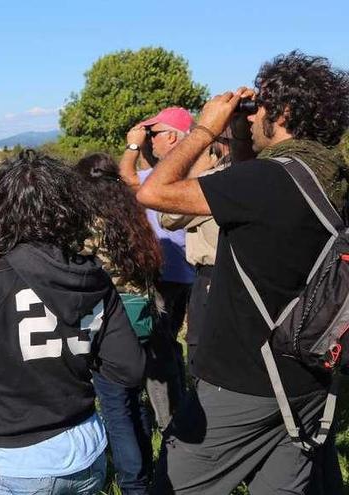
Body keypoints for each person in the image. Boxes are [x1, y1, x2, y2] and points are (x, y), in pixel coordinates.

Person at [137, 51, 349, 494]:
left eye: (261, 107)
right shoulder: (330, 177)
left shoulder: (267, 182)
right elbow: (259, 194)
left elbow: (154, 192)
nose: (252, 117)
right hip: (313, 379)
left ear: (285, 113)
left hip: (241, 383)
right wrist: (240, 134)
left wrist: (206, 127)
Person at [0, 150, 146, 495]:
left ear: (3, 212)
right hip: (85, 451)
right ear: (70, 209)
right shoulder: (94, 277)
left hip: (11, 461)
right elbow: (129, 368)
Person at [77, 152, 163, 495]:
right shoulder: (133, 215)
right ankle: (148, 472)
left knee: (115, 408)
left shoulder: (91, 222)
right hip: (143, 319)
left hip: (112, 324)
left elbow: (80, 264)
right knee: (134, 401)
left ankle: (133, 484)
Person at [118, 106, 196, 429]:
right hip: (187, 273)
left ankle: (169, 423)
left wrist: (132, 147)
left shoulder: (165, 176)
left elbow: (127, 177)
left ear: (173, 137)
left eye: (153, 134)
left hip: (165, 275)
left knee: (156, 350)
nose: (150, 140)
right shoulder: (193, 168)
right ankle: (183, 405)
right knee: (169, 342)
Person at [157, 132, 232, 368]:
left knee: (202, 352)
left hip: (212, 278)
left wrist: (197, 168)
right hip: (254, 276)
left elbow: (168, 215)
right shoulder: (266, 174)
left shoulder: (214, 181)